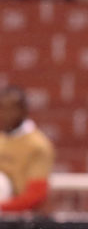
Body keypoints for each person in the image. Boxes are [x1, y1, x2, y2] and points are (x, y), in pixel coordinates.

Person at [0, 85, 54, 213]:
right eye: (0, 108)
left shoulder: (37, 145)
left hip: (25, 222)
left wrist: (3, 207)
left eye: (9, 109)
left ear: (23, 111)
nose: (2, 114)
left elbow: (37, 193)